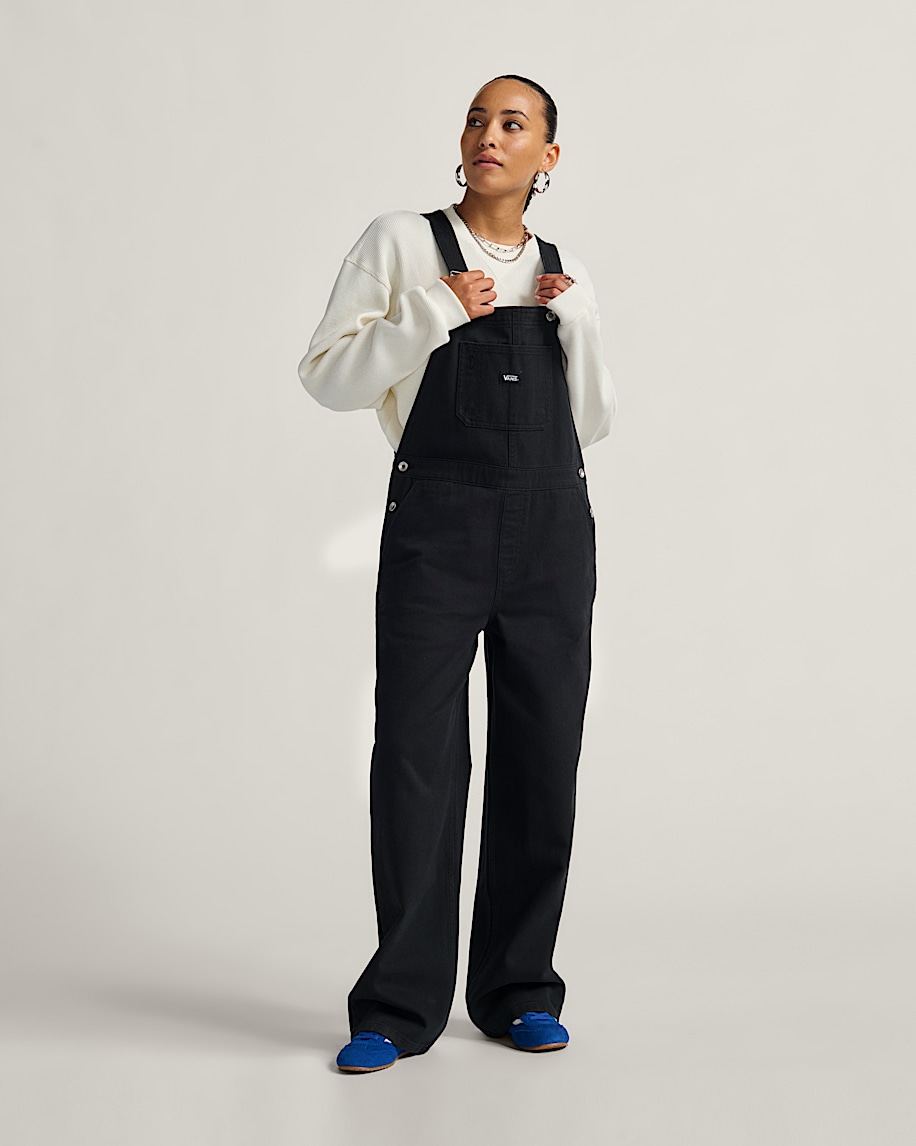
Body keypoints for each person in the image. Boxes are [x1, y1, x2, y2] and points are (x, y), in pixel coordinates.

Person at [298, 74, 617, 1073]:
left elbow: (591, 423)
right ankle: (397, 1008)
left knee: (542, 755)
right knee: (416, 757)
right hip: (438, 526)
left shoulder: (565, 272)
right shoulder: (403, 241)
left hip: (551, 532)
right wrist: (432, 311)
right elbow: (326, 376)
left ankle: (519, 990)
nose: (490, 134)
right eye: (478, 118)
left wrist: (581, 324)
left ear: (547, 157)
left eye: (513, 124)